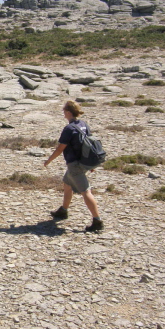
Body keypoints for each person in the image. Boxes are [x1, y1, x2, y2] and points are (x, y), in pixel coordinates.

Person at [44, 100, 103, 233]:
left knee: (86, 191)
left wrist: (49, 160)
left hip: (75, 164)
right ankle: (63, 211)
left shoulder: (69, 129)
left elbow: (60, 148)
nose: (63, 113)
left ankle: (97, 220)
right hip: (84, 161)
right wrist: (91, 163)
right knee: (67, 183)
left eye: (64, 111)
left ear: (69, 112)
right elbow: (90, 143)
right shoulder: (83, 124)